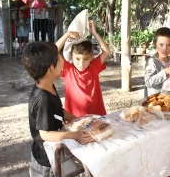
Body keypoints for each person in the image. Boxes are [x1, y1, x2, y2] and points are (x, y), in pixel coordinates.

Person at [22, 41, 93, 176]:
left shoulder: (48, 84)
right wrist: (75, 135)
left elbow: (58, 111)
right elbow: (45, 134)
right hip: (46, 158)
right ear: (51, 68)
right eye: (60, 58)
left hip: (54, 149)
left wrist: (77, 119)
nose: (64, 61)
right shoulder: (43, 99)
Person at [56, 20, 111, 117]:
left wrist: (94, 33)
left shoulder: (94, 67)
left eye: (86, 59)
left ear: (92, 57)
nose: (81, 63)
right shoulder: (68, 70)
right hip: (74, 119)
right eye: (77, 59)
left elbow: (106, 51)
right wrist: (67, 35)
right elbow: (53, 51)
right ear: (71, 56)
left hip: (96, 117)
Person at [144, 27, 170, 96]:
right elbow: (148, 83)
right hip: (156, 101)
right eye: (161, 45)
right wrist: (166, 72)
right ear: (155, 44)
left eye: (168, 45)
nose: (164, 49)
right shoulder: (152, 62)